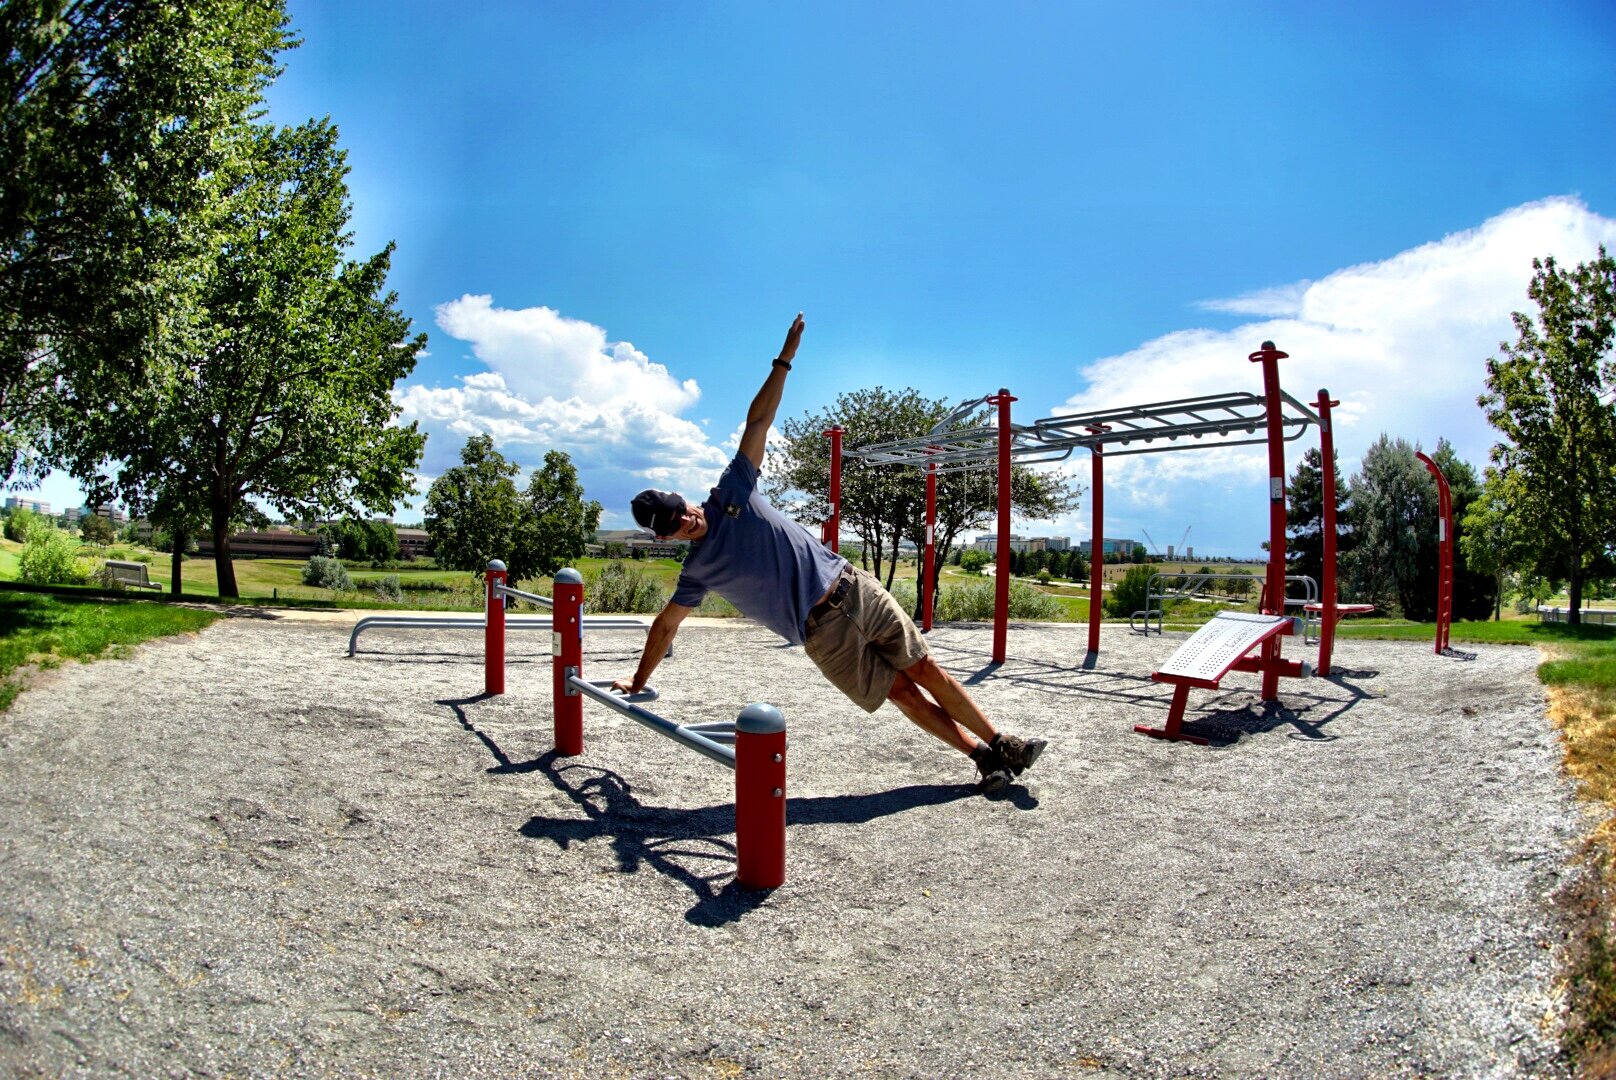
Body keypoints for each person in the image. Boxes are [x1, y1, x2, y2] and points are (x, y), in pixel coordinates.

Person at [614, 312, 1046, 795]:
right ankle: (982, 757)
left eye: (680, 510)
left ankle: (1002, 740)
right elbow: (666, 624)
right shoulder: (698, 570)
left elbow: (759, 419)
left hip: (853, 587)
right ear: (666, 539)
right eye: (673, 526)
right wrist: (637, 680)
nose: (685, 521)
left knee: (925, 669)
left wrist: (785, 359)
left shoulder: (732, 490)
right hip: (821, 634)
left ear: (685, 499)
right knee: (902, 693)